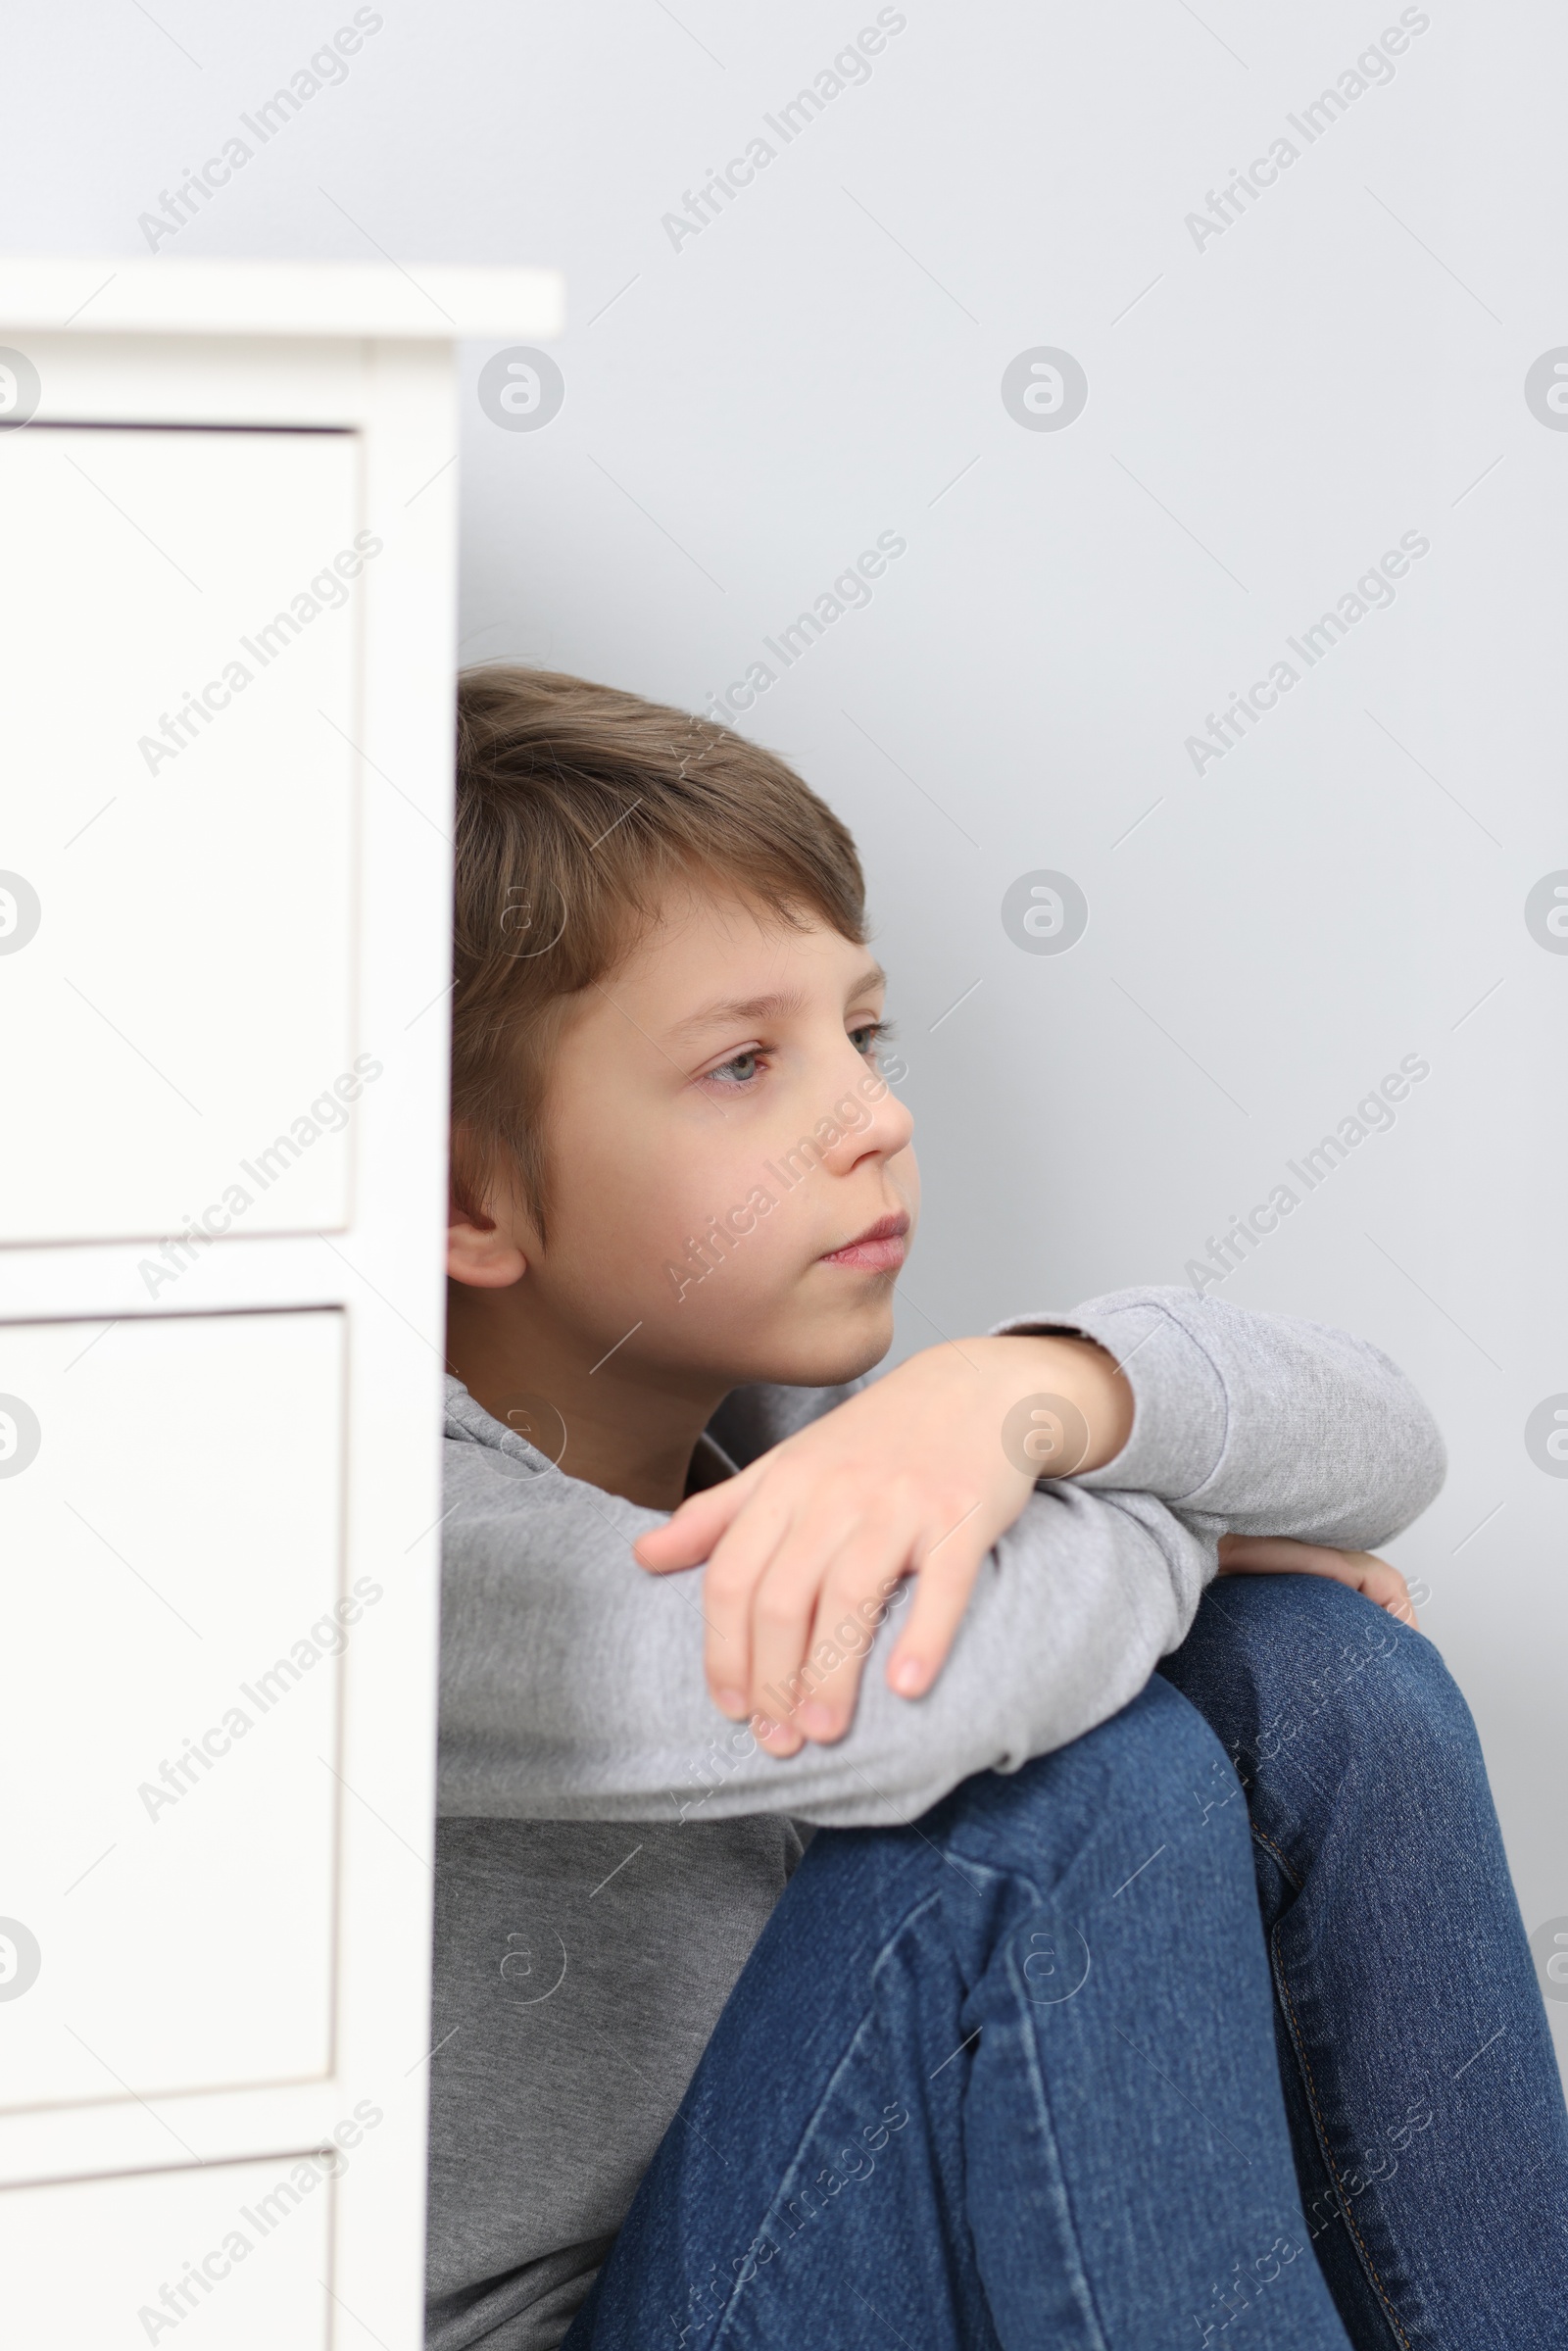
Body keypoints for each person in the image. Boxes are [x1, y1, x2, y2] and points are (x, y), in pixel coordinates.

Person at [428, 666, 1568, 2349]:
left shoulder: (809, 1433)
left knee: (1312, 1669)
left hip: (868, 2224)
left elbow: (1380, 1439)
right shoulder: (401, 1551)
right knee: (1069, 1797)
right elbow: (948, 1692)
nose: (876, 1121)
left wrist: (1040, 1390)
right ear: (467, 1195)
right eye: (746, 1063)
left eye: (861, 1035)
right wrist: (1155, 1509)